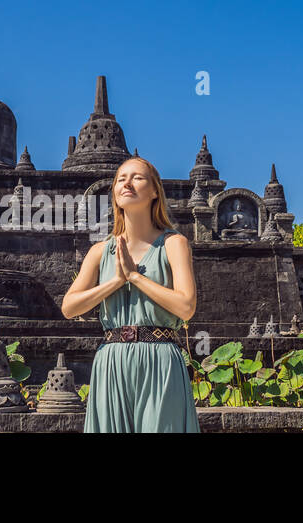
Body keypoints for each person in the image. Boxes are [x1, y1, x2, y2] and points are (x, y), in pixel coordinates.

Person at [61, 156, 200, 433]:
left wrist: (135, 277)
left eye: (137, 177)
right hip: (111, 359)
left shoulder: (174, 244)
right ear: (114, 192)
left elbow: (186, 306)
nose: (127, 182)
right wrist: (115, 281)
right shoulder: (100, 251)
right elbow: (69, 307)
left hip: (160, 358)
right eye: (121, 178)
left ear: (154, 191)